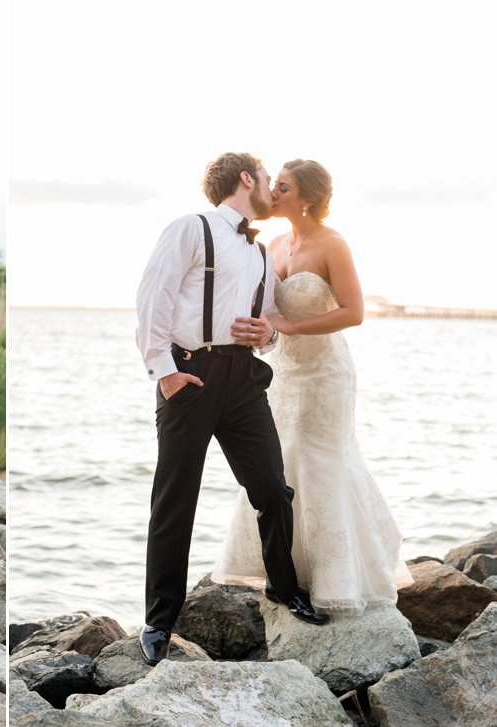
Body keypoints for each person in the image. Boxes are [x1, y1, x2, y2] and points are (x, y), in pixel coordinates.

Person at [134, 152, 330, 665]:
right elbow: (152, 299)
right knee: (175, 498)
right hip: (190, 375)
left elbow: (264, 322)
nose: (273, 188)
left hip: (243, 381)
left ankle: (284, 588)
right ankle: (159, 620)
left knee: (271, 486)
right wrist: (165, 372)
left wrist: (266, 334)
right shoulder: (189, 229)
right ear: (246, 179)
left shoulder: (262, 253)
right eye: (268, 180)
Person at [212, 159, 413, 615]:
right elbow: (265, 309)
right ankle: (287, 571)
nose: (273, 191)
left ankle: (335, 576)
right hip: (283, 370)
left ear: (306, 198)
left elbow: (354, 312)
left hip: (325, 372)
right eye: (274, 183)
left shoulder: (332, 243)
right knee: (281, 460)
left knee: (321, 459)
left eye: (283, 186)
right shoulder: (274, 243)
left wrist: (290, 326)